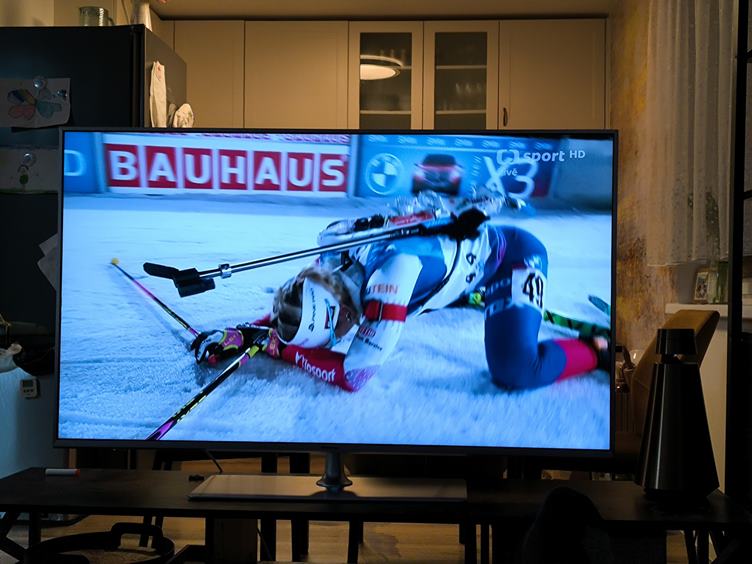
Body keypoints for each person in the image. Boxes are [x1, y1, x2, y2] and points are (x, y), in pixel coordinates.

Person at [190, 199, 608, 392]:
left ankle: (599, 349)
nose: (341, 339)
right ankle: (458, 294)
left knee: (515, 369)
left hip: (511, 259)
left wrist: (279, 349)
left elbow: (354, 376)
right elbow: (300, 305)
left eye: (334, 336)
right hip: (455, 270)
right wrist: (243, 331)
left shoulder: (391, 279)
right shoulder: (330, 256)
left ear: (343, 315)